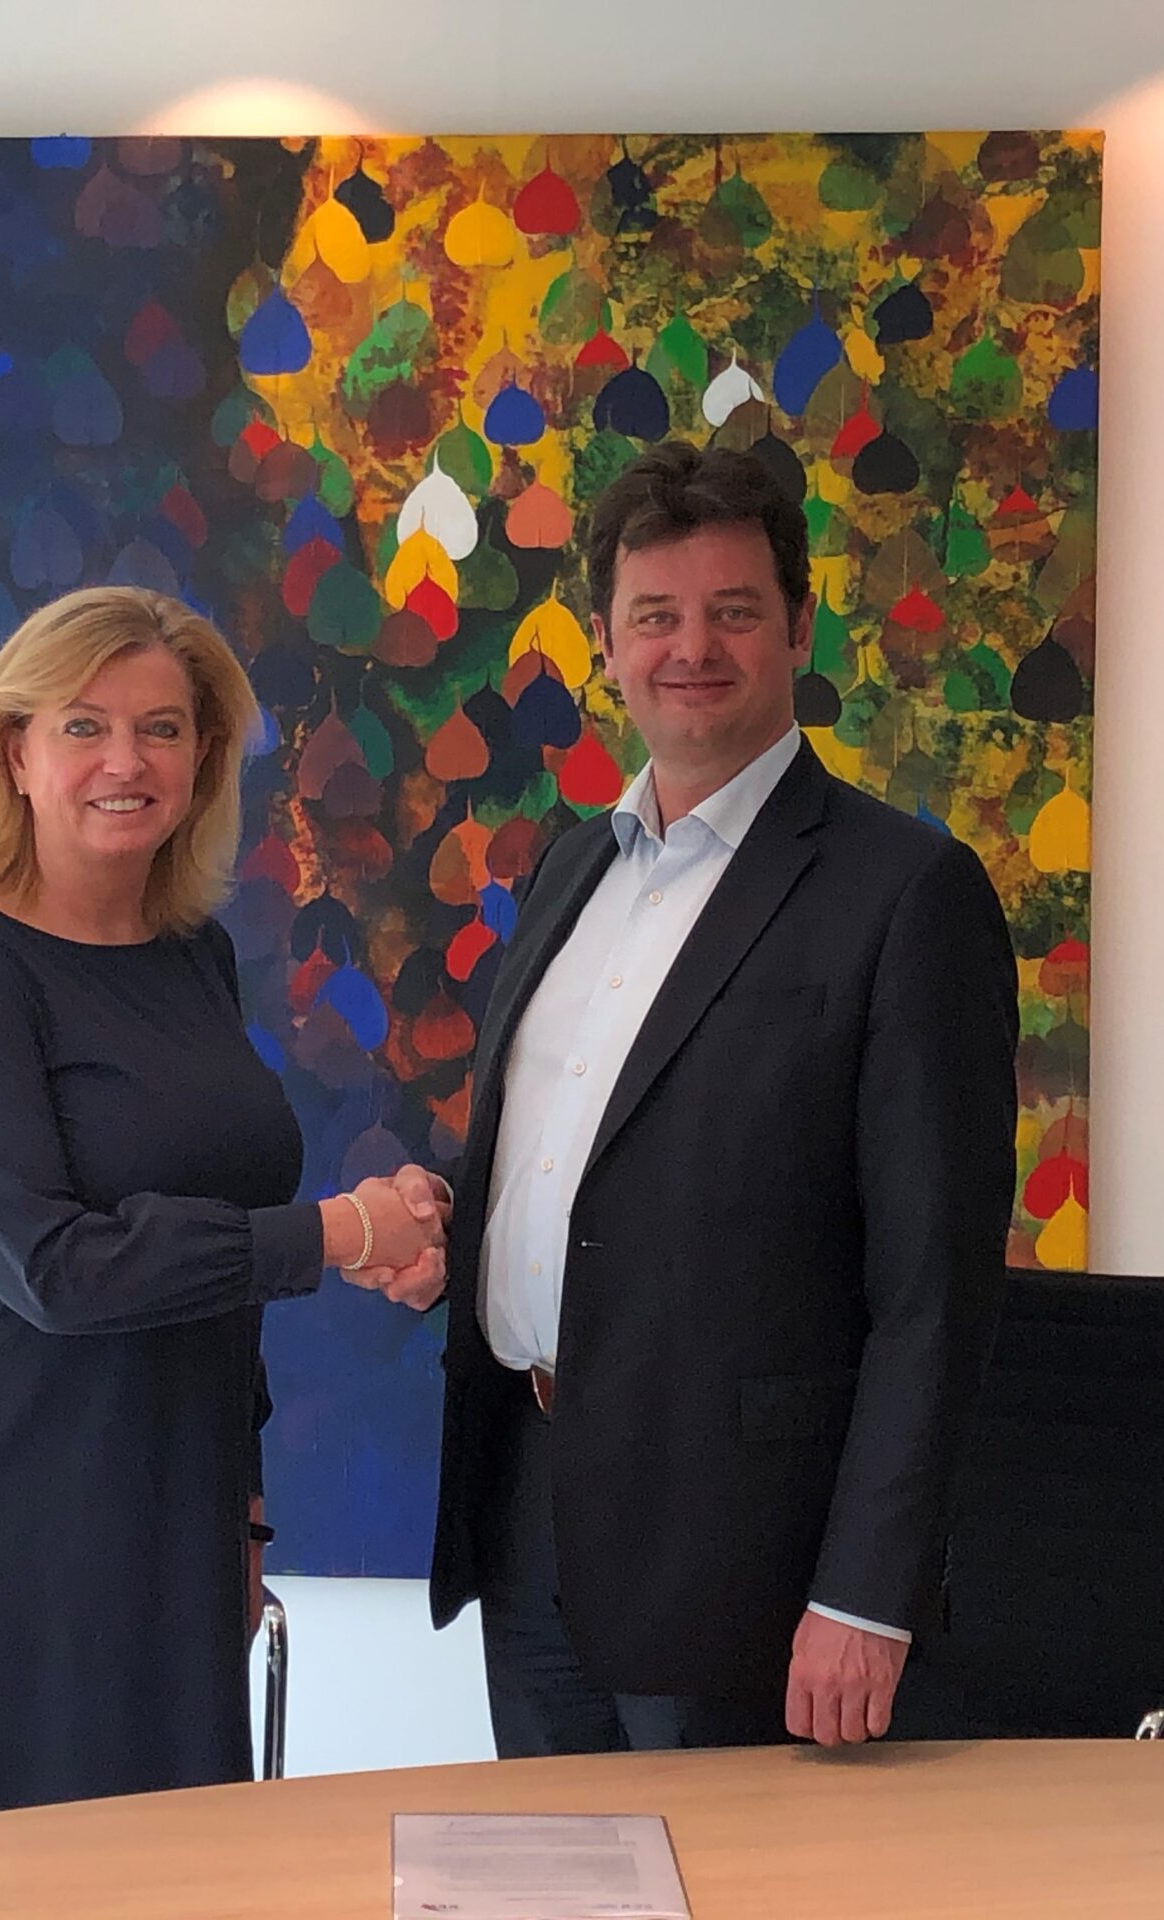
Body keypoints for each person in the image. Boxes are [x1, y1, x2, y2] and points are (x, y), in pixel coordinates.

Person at [410, 442, 1020, 1753]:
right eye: (656, 616)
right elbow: (586, 1163)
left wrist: (866, 1592)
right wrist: (450, 1233)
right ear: (606, 644)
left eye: (733, 611)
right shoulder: (571, 870)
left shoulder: (906, 895)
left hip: (749, 1555)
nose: (692, 647)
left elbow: (935, 1287)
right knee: (556, 1867)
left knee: (725, 1867)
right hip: (529, 1504)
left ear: (797, 628)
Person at [0, 586, 446, 1826]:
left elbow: (217, 1251)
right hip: (13, 1488)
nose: (126, 761)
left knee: (174, 1856)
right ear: (13, 752)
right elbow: (57, 1269)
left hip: (176, 1479)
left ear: (203, 758)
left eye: (162, 729)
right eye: (84, 726)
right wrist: (341, 1233)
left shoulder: (192, 957)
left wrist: (244, 1508)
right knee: (19, 1867)